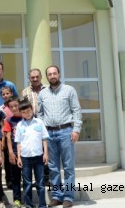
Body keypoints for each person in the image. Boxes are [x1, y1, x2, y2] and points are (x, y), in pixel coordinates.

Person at [38, 66, 82, 208]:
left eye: (54, 73)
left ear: (59, 74)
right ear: (47, 77)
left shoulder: (69, 90)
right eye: (49, 74)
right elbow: (40, 114)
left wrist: (76, 130)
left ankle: (68, 197)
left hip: (66, 132)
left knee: (68, 166)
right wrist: (42, 133)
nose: (52, 76)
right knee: (53, 167)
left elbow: (76, 110)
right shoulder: (42, 94)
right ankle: (56, 196)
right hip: (49, 134)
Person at [16, 101, 49, 208]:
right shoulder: (20, 125)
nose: (27, 113)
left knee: (40, 182)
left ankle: (42, 205)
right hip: (25, 157)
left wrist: (45, 154)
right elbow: (18, 142)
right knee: (27, 183)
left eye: (29, 111)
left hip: (38, 156)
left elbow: (44, 138)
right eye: (24, 112)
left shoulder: (39, 122)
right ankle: (29, 205)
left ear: (32, 109)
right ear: (21, 113)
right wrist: (19, 157)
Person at [21, 68, 49, 185]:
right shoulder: (25, 92)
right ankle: (34, 178)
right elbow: (23, 107)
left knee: (46, 152)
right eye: (33, 77)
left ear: (41, 77)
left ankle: (46, 178)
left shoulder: (48, 89)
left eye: (37, 77)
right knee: (34, 151)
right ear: (29, 78)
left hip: (46, 124)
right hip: (31, 125)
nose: (35, 79)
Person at [3, 97, 23, 208]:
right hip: (15, 152)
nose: (14, 108)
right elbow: (8, 137)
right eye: (11, 107)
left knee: (27, 177)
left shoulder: (27, 118)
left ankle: (28, 199)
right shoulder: (9, 121)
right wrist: (10, 152)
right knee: (16, 178)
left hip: (27, 153)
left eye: (16, 105)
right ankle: (17, 200)